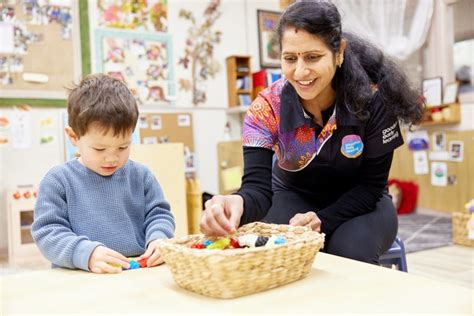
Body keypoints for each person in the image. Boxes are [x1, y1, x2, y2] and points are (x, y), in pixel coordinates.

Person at [200, 0, 423, 264]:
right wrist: (237, 203)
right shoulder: (266, 109)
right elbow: (257, 189)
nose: (301, 71)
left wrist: (324, 220)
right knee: (281, 255)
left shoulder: (374, 101)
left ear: (338, 52)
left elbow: (370, 187)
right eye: (290, 58)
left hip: (364, 203)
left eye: (313, 57)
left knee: (349, 255)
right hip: (292, 197)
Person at [32, 74, 175, 273]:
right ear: (73, 136)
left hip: (137, 271)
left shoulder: (141, 176)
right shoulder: (58, 181)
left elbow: (159, 215)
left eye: (123, 147)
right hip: (81, 275)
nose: (112, 159)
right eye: (99, 149)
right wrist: (85, 253)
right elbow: (48, 233)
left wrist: (159, 238)